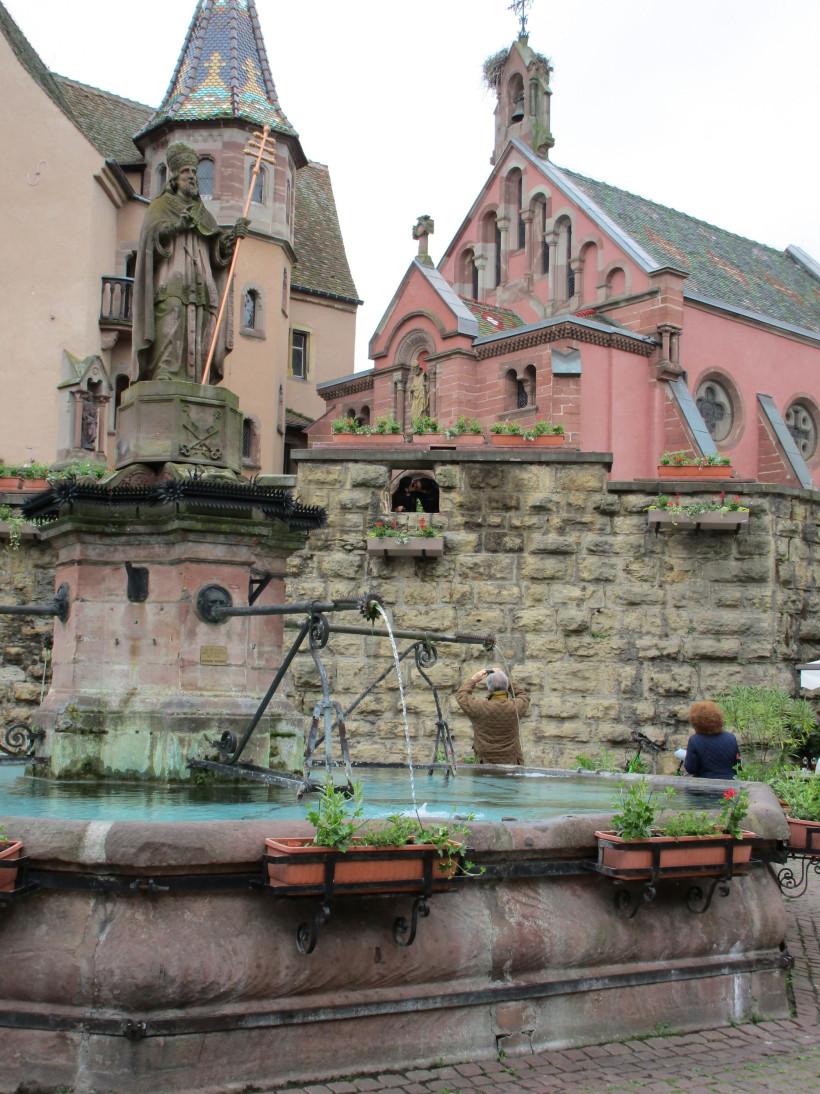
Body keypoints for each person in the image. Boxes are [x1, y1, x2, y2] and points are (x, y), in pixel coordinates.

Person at [132, 140, 250, 385]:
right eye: (187, 173)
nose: (193, 177)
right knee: (171, 317)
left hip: (202, 283)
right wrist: (175, 227)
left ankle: (198, 379)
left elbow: (216, 252)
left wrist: (231, 239)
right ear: (174, 177)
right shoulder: (160, 206)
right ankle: (164, 374)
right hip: (172, 278)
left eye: (195, 172)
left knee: (202, 326)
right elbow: (150, 241)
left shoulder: (204, 214)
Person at [455, 667, 530, 765]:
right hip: (512, 762)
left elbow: (461, 696)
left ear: (489, 689)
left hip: (485, 762)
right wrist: (507, 680)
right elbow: (523, 696)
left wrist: (474, 679)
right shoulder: (515, 707)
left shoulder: (479, 707)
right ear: (506, 687)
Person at [681, 701, 740, 780]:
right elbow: (738, 766)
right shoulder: (731, 738)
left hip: (705, 787)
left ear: (695, 721)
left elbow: (691, 769)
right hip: (730, 787)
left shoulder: (695, 740)